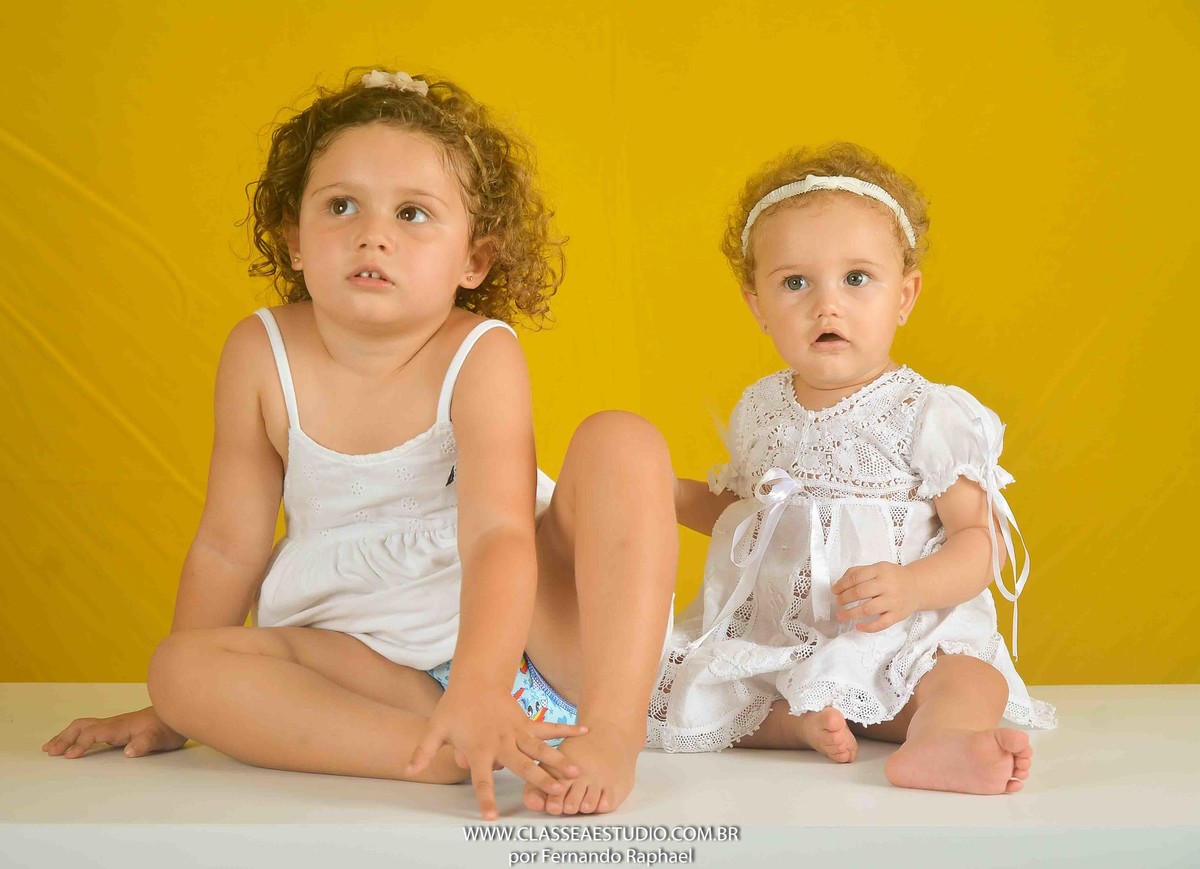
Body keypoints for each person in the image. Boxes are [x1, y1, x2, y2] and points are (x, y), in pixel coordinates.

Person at [42, 68, 678, 819]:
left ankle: (612, 730)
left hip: (533, 643)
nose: (372, 233)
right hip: (366, 655)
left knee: (622, 439)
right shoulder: (261, 352)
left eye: (413, 213)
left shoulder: (478, 353)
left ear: (473, 259)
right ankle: (425, 752)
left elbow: (500, 534)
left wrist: (481, 680)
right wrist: (180, 713)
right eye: (341, 205)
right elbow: (226, 543)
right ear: (295, 239)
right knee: (178, 668)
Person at [656, 142, 1056, 794]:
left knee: (967, 680)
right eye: (794, 282)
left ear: (906, 294)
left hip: (903, 641)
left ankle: (940, 740)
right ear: (757, 303)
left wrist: (914, 585)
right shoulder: (760, 410)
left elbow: (983, 542)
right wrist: (670, 494)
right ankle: (797, 722)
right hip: (790, 640)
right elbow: (751, 522)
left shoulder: (928, 413)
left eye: (857, 278)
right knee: (687, 678)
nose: (826, 305)